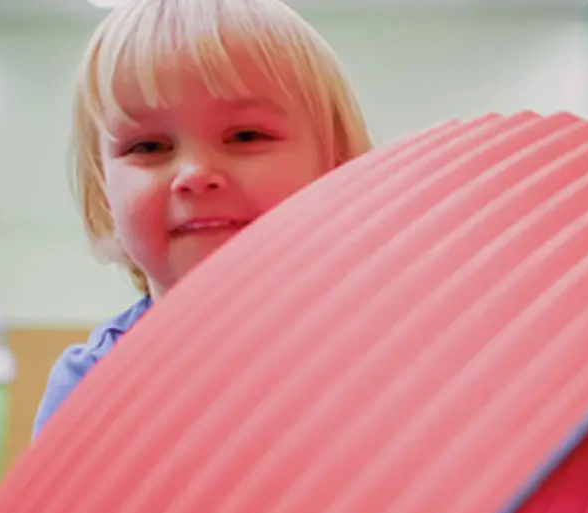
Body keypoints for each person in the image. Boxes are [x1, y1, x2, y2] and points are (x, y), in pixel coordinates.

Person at [32, 0, 372, 437]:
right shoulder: (92, 387)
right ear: (103, 191)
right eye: (148, 147)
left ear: (336, 166)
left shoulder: (386, 352)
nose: (193, 175)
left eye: (246, 136)